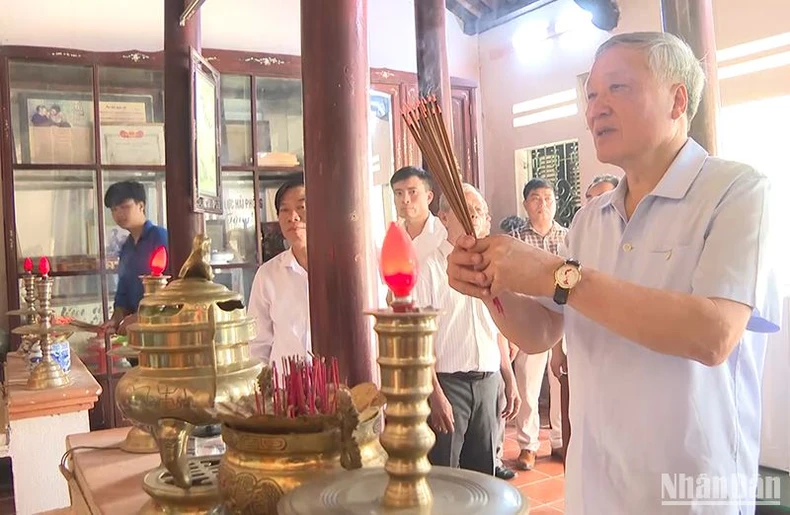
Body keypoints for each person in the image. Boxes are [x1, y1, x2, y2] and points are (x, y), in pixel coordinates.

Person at [446, 32, 779, 513]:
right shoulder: (591, 218)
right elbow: (541, 330)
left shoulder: (735, 191)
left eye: (617, 89)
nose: (595, 109)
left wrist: (561, 276)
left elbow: (713, 334)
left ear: (676, 99)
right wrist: (488, 287)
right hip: (595, 484)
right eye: (591, 96)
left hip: (691, 489)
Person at [413, 184, 520, 476]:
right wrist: (435, 395)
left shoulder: (491, 267)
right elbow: (419, 342)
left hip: (488, 381)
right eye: (467, 211)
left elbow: (495, 328)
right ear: (444, 216)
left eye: (479, 213)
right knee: (444, 476)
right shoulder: (428, 268)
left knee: (484, 475)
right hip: (447, 386)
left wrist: (508, 377)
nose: (474, 219)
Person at [511, 178, 565, 470]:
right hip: (530, 319)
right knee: (528, 382)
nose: (542, 204)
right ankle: (528, 445)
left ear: (555, 202)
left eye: (548, 197)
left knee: (561, 382)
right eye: (535, 198)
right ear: (525, 204)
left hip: (564, 319)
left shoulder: (569, 237)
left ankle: (558, 440)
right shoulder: (516, 240)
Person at [247, 178, 309, 366]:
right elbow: (257, 345)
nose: (293, 217)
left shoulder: (343, 268)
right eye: (284, 210)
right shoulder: (267, 275)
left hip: (337, 389)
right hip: (285, 390)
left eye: (302, 207)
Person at [101, 181, 168, 335]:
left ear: (141, 206)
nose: (119, 214)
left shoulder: (159, 237)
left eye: (124, 207)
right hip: (137, 331)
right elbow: (123, 292)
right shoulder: (126, 247)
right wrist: (116, 319)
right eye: (114, 209)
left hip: (161, 329)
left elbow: (173, 287)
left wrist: (141, 317)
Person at [389, 166, 447, 263]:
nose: (405, 200)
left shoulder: (443, 234)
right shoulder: (391, 239)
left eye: (412, 192)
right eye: (399, 193)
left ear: (428, 197)